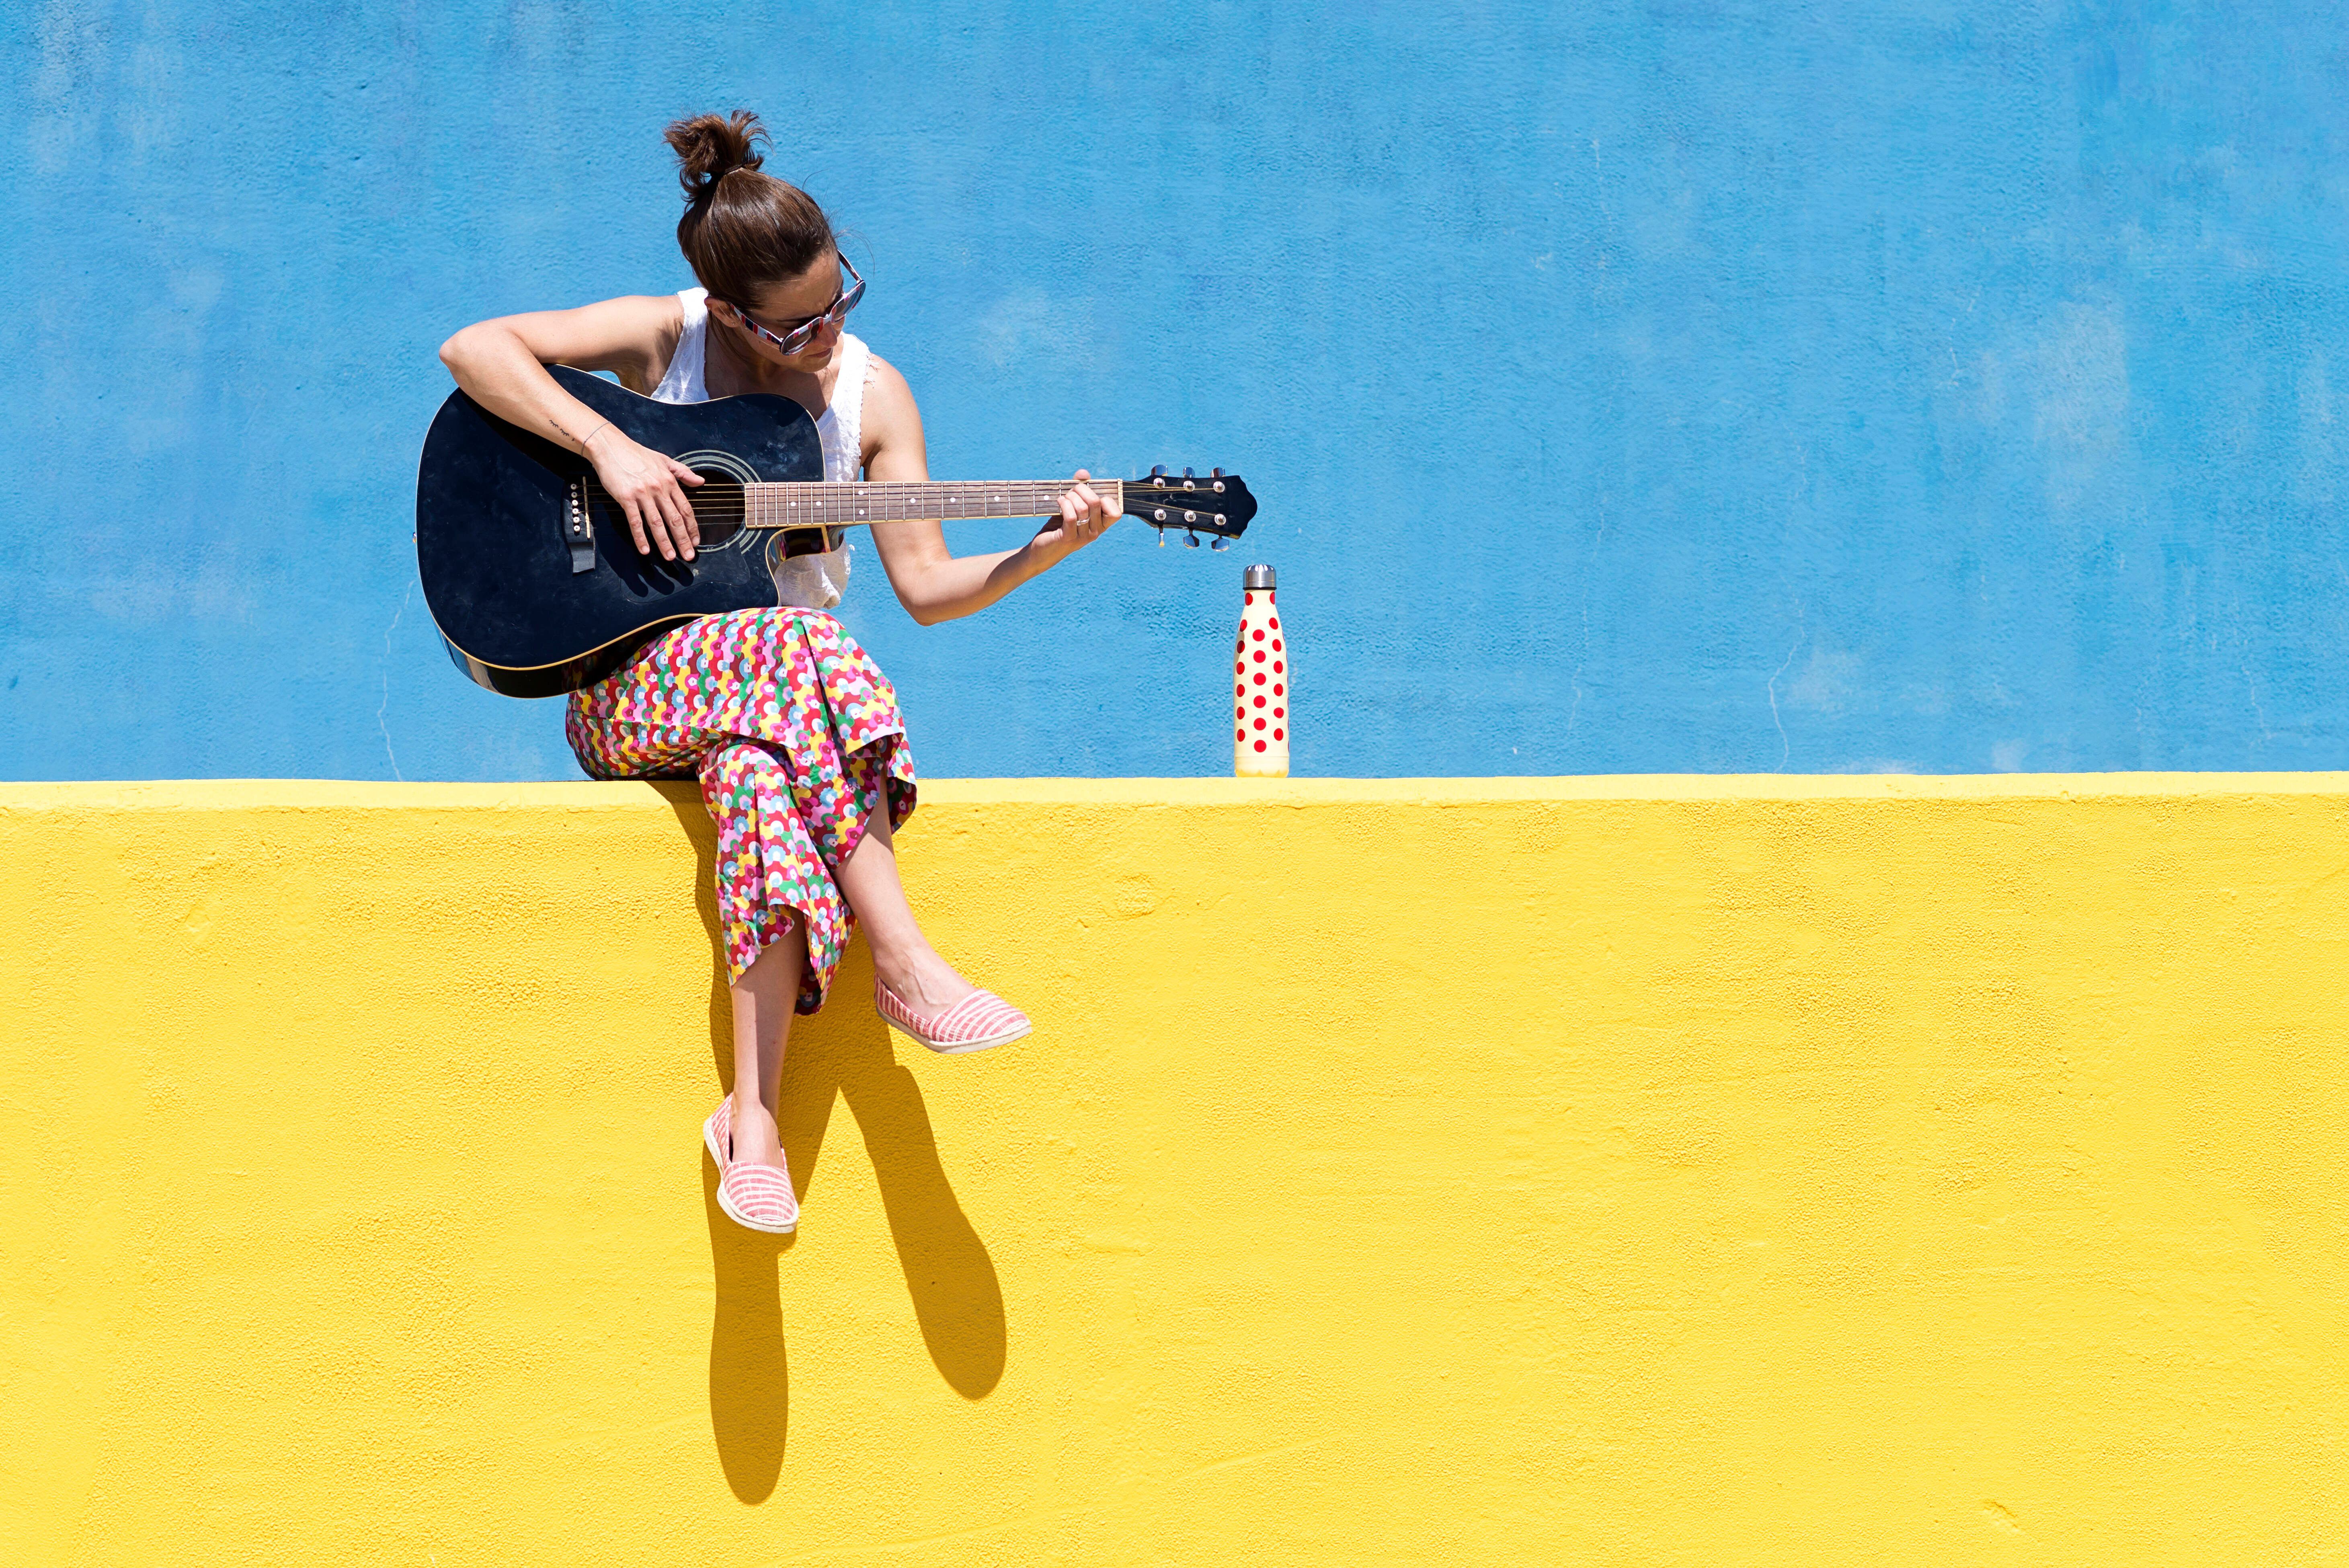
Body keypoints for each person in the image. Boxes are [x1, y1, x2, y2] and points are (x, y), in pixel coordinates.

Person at [435, 110, 1119, 1235]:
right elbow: (475, 350)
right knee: (809, 645)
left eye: (836, 304)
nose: (822, 337)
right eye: (793, 329)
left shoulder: (873, 396)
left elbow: (930, 589)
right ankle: (901, 956)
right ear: (725, 311)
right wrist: (613, 448)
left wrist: (1044, 549)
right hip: (627, 695)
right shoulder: (665, 340)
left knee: (757, 772)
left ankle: (751, 1121)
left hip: (777, 721)